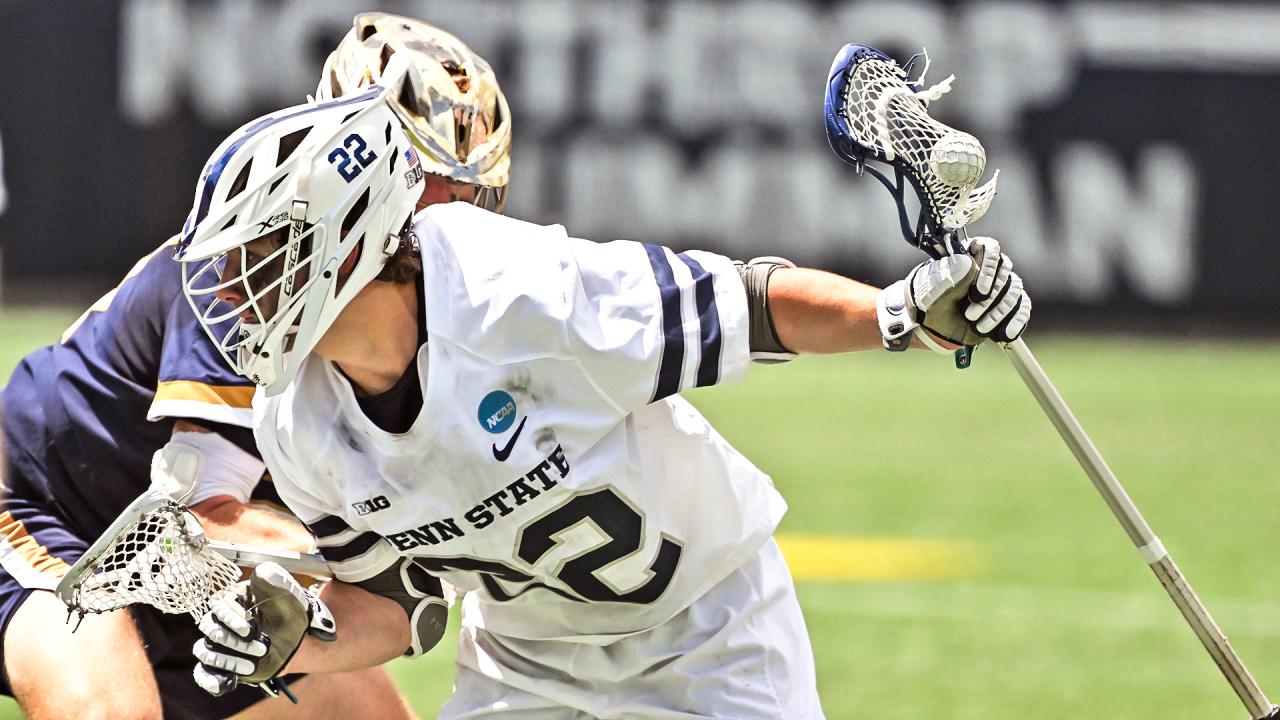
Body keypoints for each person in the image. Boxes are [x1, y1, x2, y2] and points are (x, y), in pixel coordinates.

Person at [178, 38, 1029, 720]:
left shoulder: (514, 294)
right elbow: (399, 600)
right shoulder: (295, 420)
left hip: (706, 632)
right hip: (527, 661)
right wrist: (298, 639)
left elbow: (750, 304)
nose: (232, 292)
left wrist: (899, 315)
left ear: (349, 240)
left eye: (260, 257)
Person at [0, 14, 509, 719]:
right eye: (429, 184)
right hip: (48, 509)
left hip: (188, 576)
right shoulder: (263, 263)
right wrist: (383, 563)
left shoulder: (433, 317)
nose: (452, 214)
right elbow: (202, 516)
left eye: (463, 190)